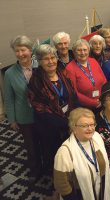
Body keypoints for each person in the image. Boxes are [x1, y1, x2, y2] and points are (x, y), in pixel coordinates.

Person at [28, 44, 77, 174]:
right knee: (55, 156)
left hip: (68, 122)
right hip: (49, 128)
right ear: (39, 62)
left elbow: (72, 95)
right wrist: (67, 123)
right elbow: (40, 108)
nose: (50, 61)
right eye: (46, 59)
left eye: (53, 57)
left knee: (70, 153)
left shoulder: (62, 72)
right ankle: (57, 183)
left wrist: (75, 117)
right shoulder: (36, 80)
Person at [4, 35, 41, 181]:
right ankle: (34, 169)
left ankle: (47, 167)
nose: (20, 54)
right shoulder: (9, 73)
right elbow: (8, 97)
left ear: (30, 50)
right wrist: (12, 119)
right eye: (17, 51)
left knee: (44, 141)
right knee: (31, 146)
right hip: (24, 115)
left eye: (23, 50)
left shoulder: (41, 66)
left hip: (42, 113)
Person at [54, 108, 110, 200]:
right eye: (85, 126)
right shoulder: (64, 152)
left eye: (92, 124)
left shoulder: (96, 137)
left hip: (100, 189)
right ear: (74, 127)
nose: (90, 129)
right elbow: (61, 184)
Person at [66, 39, 107, 112]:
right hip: (84, 108)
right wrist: (93, 103)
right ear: (74, 52)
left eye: (85, 50)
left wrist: (103, 98)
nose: (82, 53)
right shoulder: (70, 68)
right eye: (79, 50)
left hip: (102, 103)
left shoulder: (93, 61)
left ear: (88, 50)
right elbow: (74, 92)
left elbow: (104, 80)